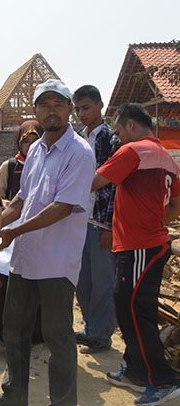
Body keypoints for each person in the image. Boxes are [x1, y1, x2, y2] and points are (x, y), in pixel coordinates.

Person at [0, 80, 95, 406]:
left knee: (58, 336)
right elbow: (21, 200)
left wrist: (12, 232)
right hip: (25, 259)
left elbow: (63, 207)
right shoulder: (37, 151)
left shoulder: (80, 152)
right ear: (36, 112)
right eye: (45, 105)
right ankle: (14, 393)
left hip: (56, 262)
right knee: (14, 329)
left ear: (69, 110)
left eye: (59, 104)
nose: (51, 110)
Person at [92, 103, 180, 406]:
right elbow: (175, 206)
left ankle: (164, 379)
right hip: (149, 243)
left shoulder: (133, 152)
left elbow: (95, 182)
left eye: (117, 131)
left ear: (130, 125)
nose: (117, 138)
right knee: (129, 306)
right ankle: (136, 369)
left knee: (134, 311)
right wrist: (154, 222)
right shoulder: (168, 158)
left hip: (140, 245)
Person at [0, 120, 44, 351]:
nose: (30, 146)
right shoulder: (10, 166)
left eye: (35, 141)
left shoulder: (49, 164)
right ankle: (0, 336)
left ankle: (34, 335)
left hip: (39, 231)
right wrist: (3, 204)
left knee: (36, 284)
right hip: (11, 231)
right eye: (25, 141)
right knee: (5, 283)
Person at [73, 85, 118, 354]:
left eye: (86, 107)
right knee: (82, 280)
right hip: (77, 219)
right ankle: (91, 328)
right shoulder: (78, 138)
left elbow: (114, 185)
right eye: (77, 109)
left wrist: (110, 224)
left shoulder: (111, 140)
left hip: (100, 221)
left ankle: (101, 336)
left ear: (100, 105)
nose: (81, 113)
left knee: (103, 280)